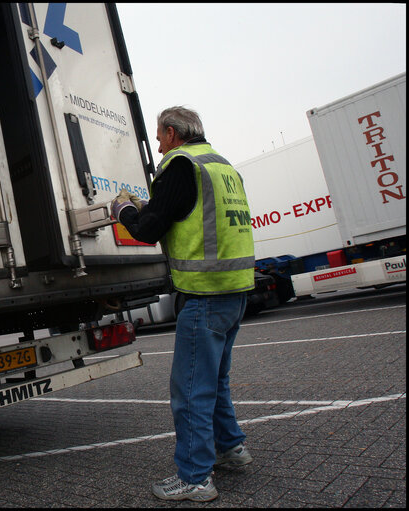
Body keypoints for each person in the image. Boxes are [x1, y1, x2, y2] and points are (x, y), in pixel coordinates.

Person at [111, 106, 255, 502]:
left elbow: (146, 230)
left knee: (191, 389)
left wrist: (122, 209)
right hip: (235, 291)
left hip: (204, 296)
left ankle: (195, 477)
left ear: (172, 133)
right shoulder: (222, 166)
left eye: (159, 137)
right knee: (215, 381)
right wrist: (152, 204)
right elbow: (189, 215)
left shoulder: (179, 167)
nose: (158, 146)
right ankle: (231, 449)